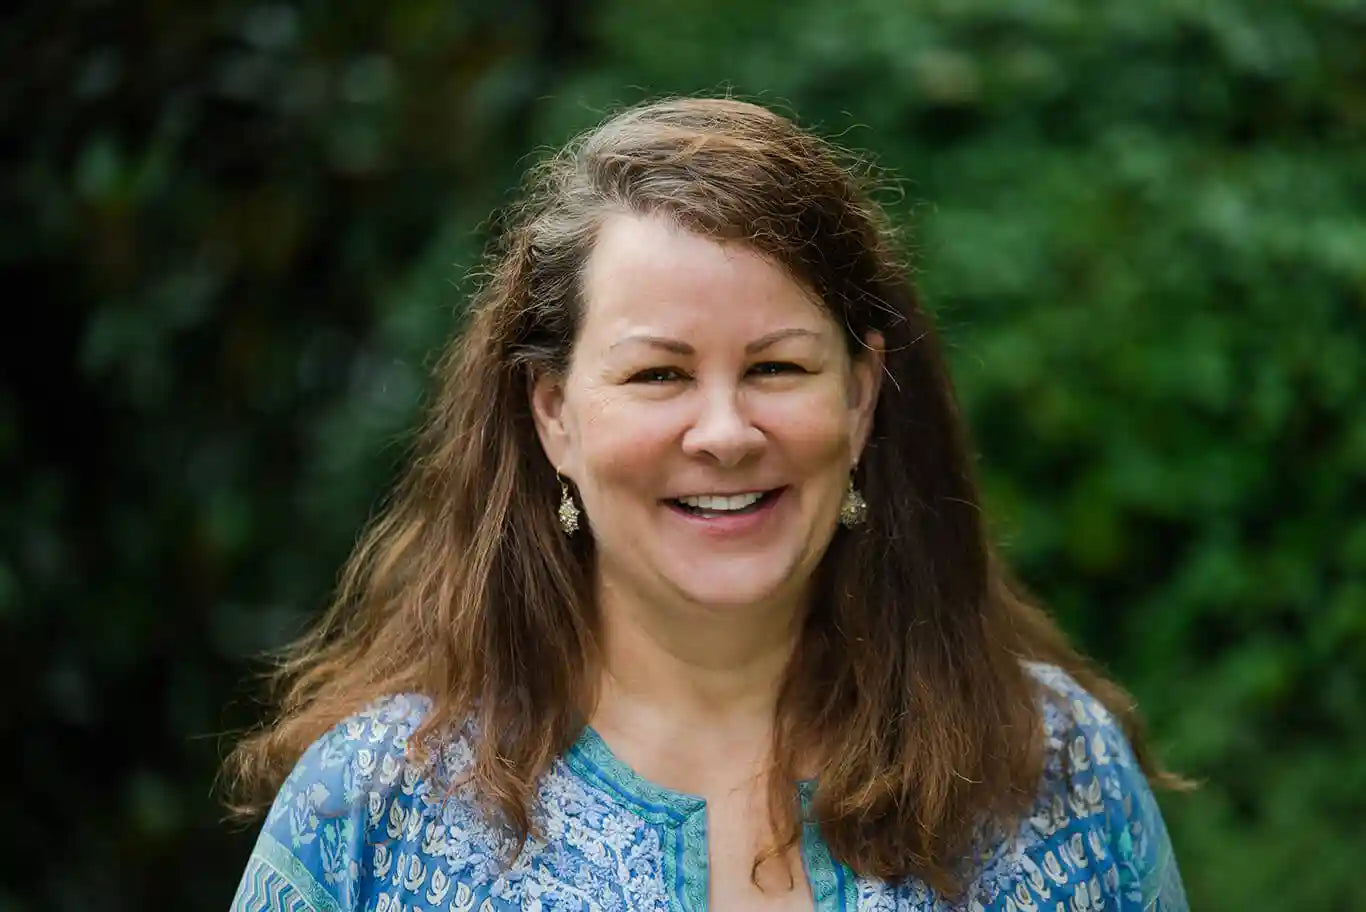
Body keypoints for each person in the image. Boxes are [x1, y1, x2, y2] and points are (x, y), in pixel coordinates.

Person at [225, 97, 1189, 912]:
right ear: (554, 413)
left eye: (776, 367)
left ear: (859, 399)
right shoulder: (375, 812)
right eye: (657, 374)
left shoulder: (1054, 775)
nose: (724, 432)